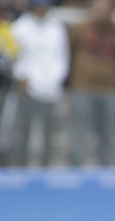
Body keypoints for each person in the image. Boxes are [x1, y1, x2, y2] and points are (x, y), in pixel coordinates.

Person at [68, 0, 115, 166]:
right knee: (80, 131)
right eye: (99, 8)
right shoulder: (80, 29)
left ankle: (106, 170)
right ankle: (77, 168)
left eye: (107, 8)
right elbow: (69, 52)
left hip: (110, 88)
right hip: (82, 87)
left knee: (108, 132)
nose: (103, 12)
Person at [7, 0, 67, 167]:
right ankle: (21, 166)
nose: (42, 10)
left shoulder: (57, 27)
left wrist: (56, 79)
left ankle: (45, 168)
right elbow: (15, 58)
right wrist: (22, 77)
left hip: (51, 87)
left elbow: (62, 57)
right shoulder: (19, 28)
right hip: (28, 88)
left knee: (49, 131)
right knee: (25, 130)